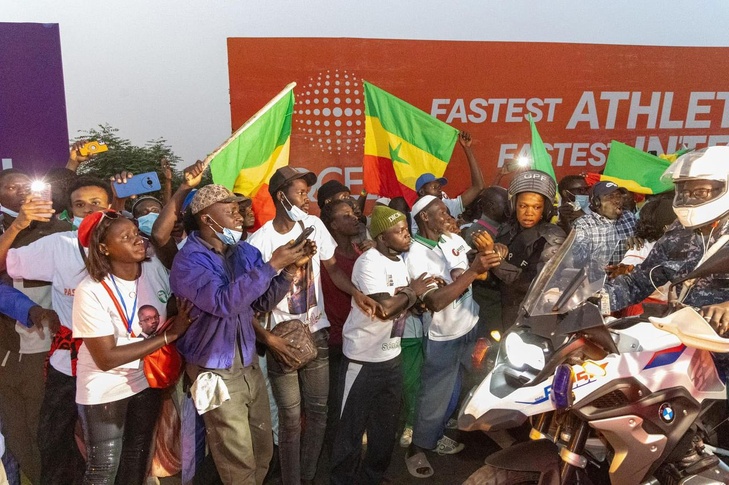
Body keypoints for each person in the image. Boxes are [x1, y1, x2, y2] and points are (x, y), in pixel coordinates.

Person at [169, 183, 307, 484]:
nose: (239, 217)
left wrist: (287, 271)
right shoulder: (189, 261)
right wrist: (272, 265)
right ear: (207, 219)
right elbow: (223, 302)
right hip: (214, 370)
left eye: (239, 210)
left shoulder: (244, 251)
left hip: (248, 363)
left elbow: (261, 302)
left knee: (261, 452)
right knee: (236, 459)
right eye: (230, 211)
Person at [248, 166, 378, 485]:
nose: (306, 200)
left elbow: (333, 270)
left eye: (307, 193)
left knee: (318, 413)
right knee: (292, 420)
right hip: (283, 340)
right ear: (281, 196)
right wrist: (269, 340)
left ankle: (306, 477)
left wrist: (356, 293)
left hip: (317, 332)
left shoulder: (315, 225)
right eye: (300, 193)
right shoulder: (258, 241)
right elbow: (248, 302)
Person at [0, 175, 114, 484]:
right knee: (47, 441)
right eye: (80, 205)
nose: (89, 210)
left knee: (111, 447)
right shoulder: (58, 243)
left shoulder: (129, 243)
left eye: (96, 203)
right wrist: (18, 226)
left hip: (116, 365)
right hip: (59, 362)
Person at [72, 210, 194, 483]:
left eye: (136, 233)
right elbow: (106, 358)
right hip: (105, 386)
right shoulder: (91, 290)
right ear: (104, 248)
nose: (137, 240)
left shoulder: (152, 268)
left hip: (146, 377)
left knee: (137, 457)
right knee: (103, 467)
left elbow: (169, 301)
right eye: (126, 237)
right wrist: (168, 337)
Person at [330, 206, 436, 485]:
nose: (407, 235)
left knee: (384, 428)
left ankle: (371, 478)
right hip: (362, 359)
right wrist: (413, 292)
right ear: (381, 237)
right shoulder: (368, 263)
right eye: (399, 231)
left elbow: (405, 305)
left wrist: (419, 300)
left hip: (391, 357)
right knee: (350, 429)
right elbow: (384, 309)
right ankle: (342, 481)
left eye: (406, 229)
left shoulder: (399, 261)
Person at [403, 195, 501, 479]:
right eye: (441, 212)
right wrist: (473, 271)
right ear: (424, 218)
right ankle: (418, 448)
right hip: (442, 335)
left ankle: (436, 436)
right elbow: (435, 302)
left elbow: (473, 273)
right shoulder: (416, 254)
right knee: (434, 394)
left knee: (458, 388)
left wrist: (494, 255)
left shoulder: (451, 241)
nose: (448, 216)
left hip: (469, 324)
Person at [607, 146, 729, 338]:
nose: (688, 198)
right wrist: (597, 298)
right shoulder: (678, 232)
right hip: (682, 342)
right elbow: (640, 281)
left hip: (723, 346)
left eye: (700, 193)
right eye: (684, 191)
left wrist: (727, 307)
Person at [0, 168, 71, 484]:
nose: (20, 192)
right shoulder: (9, 229)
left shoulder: (63, 230)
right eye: (10, 186)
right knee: (17, 434)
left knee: (46, 427)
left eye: (26, 186)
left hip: (52, 349)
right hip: (9, 352)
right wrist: (17, 225)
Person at [319, 198, 371, 455]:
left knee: (352, 404)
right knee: (333, 405)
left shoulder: (364, 254)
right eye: (346, 215)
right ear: (333, 225)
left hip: (358, 342)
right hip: (333, 342)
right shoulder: (324, 260)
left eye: (354, 214)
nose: (354, 219)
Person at [491, 170, 566, 329]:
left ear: (545, 209)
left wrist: (495, 262)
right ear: (513, 206)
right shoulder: (506, 230)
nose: (529, 213)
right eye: (523, 206)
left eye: (536, 207)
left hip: (532, 316)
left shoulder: (553, 237)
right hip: (502, 310)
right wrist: (489, 250)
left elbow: (537, 283)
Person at [413, 131, 485, 224]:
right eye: (435, 187)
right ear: (422, 192)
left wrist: (467, 148)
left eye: (439, 187)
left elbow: (478, 187)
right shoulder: (415, 216)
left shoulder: (448, 206)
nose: (439, 190)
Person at [572, 181, 635, 268]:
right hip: (598, 280)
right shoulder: (584, 224)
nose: (617, 201)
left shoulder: (629, 217)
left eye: (618, 196)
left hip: (628, 277)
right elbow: (577, 260)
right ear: (597, 202)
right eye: (610, 197)